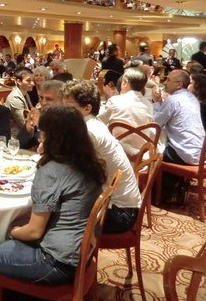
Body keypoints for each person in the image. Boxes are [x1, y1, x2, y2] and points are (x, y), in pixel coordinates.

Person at [0, 105, 106, 289]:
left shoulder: (51, 171)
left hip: (55, 261)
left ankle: (17, 299)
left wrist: (11, 231)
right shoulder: (88, 161)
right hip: (79, 250)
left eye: (42, 132)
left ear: (53, 137)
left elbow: (34, 232)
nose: (39, 136)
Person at [62, 80, 141, 234]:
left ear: (87, 109)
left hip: (119, 213)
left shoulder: (89, 131)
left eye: (68, 107)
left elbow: (69, 168)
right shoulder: (92, 123)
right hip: (120, 204)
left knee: (54, 214)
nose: (63, 111)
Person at [152, 69, 204, 165]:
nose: (165, 83)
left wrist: (156, 102)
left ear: (179, 85)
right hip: (201, 151)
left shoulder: (173, 100)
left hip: (183, 153)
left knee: (147, 152)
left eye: (168, 80)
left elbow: (155, 124)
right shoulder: (192, 98)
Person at [98, 68, 153, 157]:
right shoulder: (149, 104)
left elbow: (99, 121)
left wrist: (108, 99)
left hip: (117, 153)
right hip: (142, 155)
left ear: (124, 82)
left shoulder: (115, 101)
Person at [19, 79, 64, 149]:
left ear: (62, 100)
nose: (43, 103)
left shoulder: (67, 119)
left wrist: (39, 124)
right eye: (41, 98)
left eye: (49, 99)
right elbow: (20, 145)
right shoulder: (42, 114)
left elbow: (55, 148)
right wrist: (28, 125)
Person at [4, 66, 35, 137]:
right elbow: (24, 124)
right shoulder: (15, 98)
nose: (33, 83)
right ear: (19, 81)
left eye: (33, 80)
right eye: (28, 80)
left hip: (25, 134)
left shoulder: (25, 93)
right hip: (15, 137)